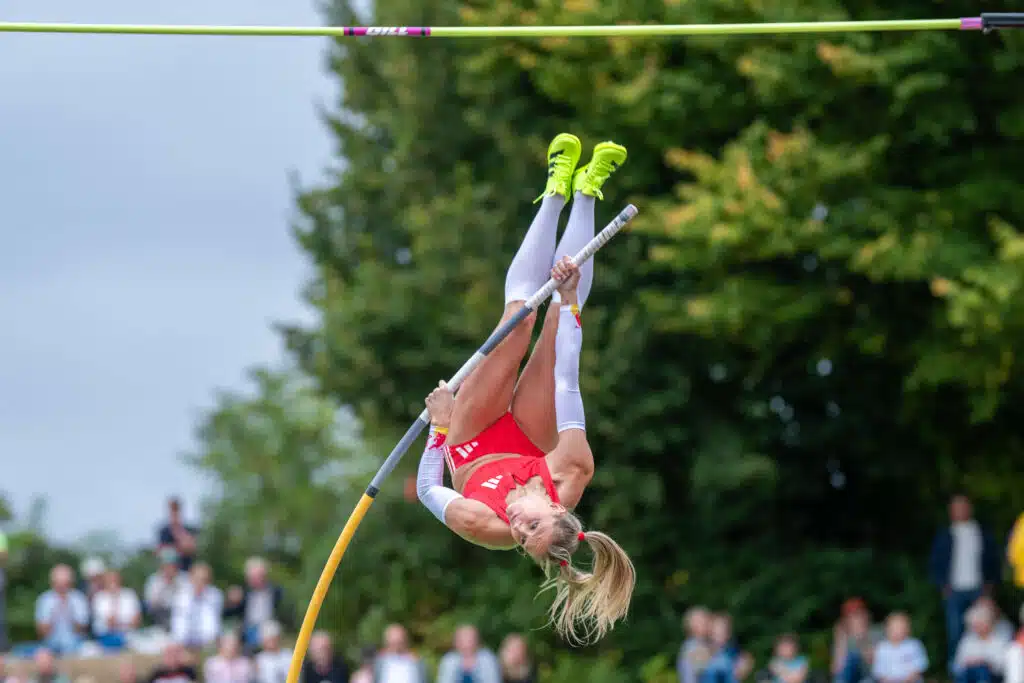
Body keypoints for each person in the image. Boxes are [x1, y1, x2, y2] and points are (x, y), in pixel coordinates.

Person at [415, 133, 635, 644]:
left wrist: (441, 424)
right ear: (557, 508)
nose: (516, 528)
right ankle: (582, 193)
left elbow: (428, 488)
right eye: (530, 528)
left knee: (515, 328)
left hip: (469, 439)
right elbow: (566, 378)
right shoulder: (573, 467)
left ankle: (556, 191)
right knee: (552, 325)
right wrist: (571, 300)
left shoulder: (484, 526)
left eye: (520, 538)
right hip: (530, 441)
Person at [872, 612, 928, 683]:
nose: (898, 631)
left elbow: (919, 666)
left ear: (908, 629)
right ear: (887, 629)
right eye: (895, 628)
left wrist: (908, 680)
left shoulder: (914, 645)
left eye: (901, 628)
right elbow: (879, 671)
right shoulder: (882, 648)